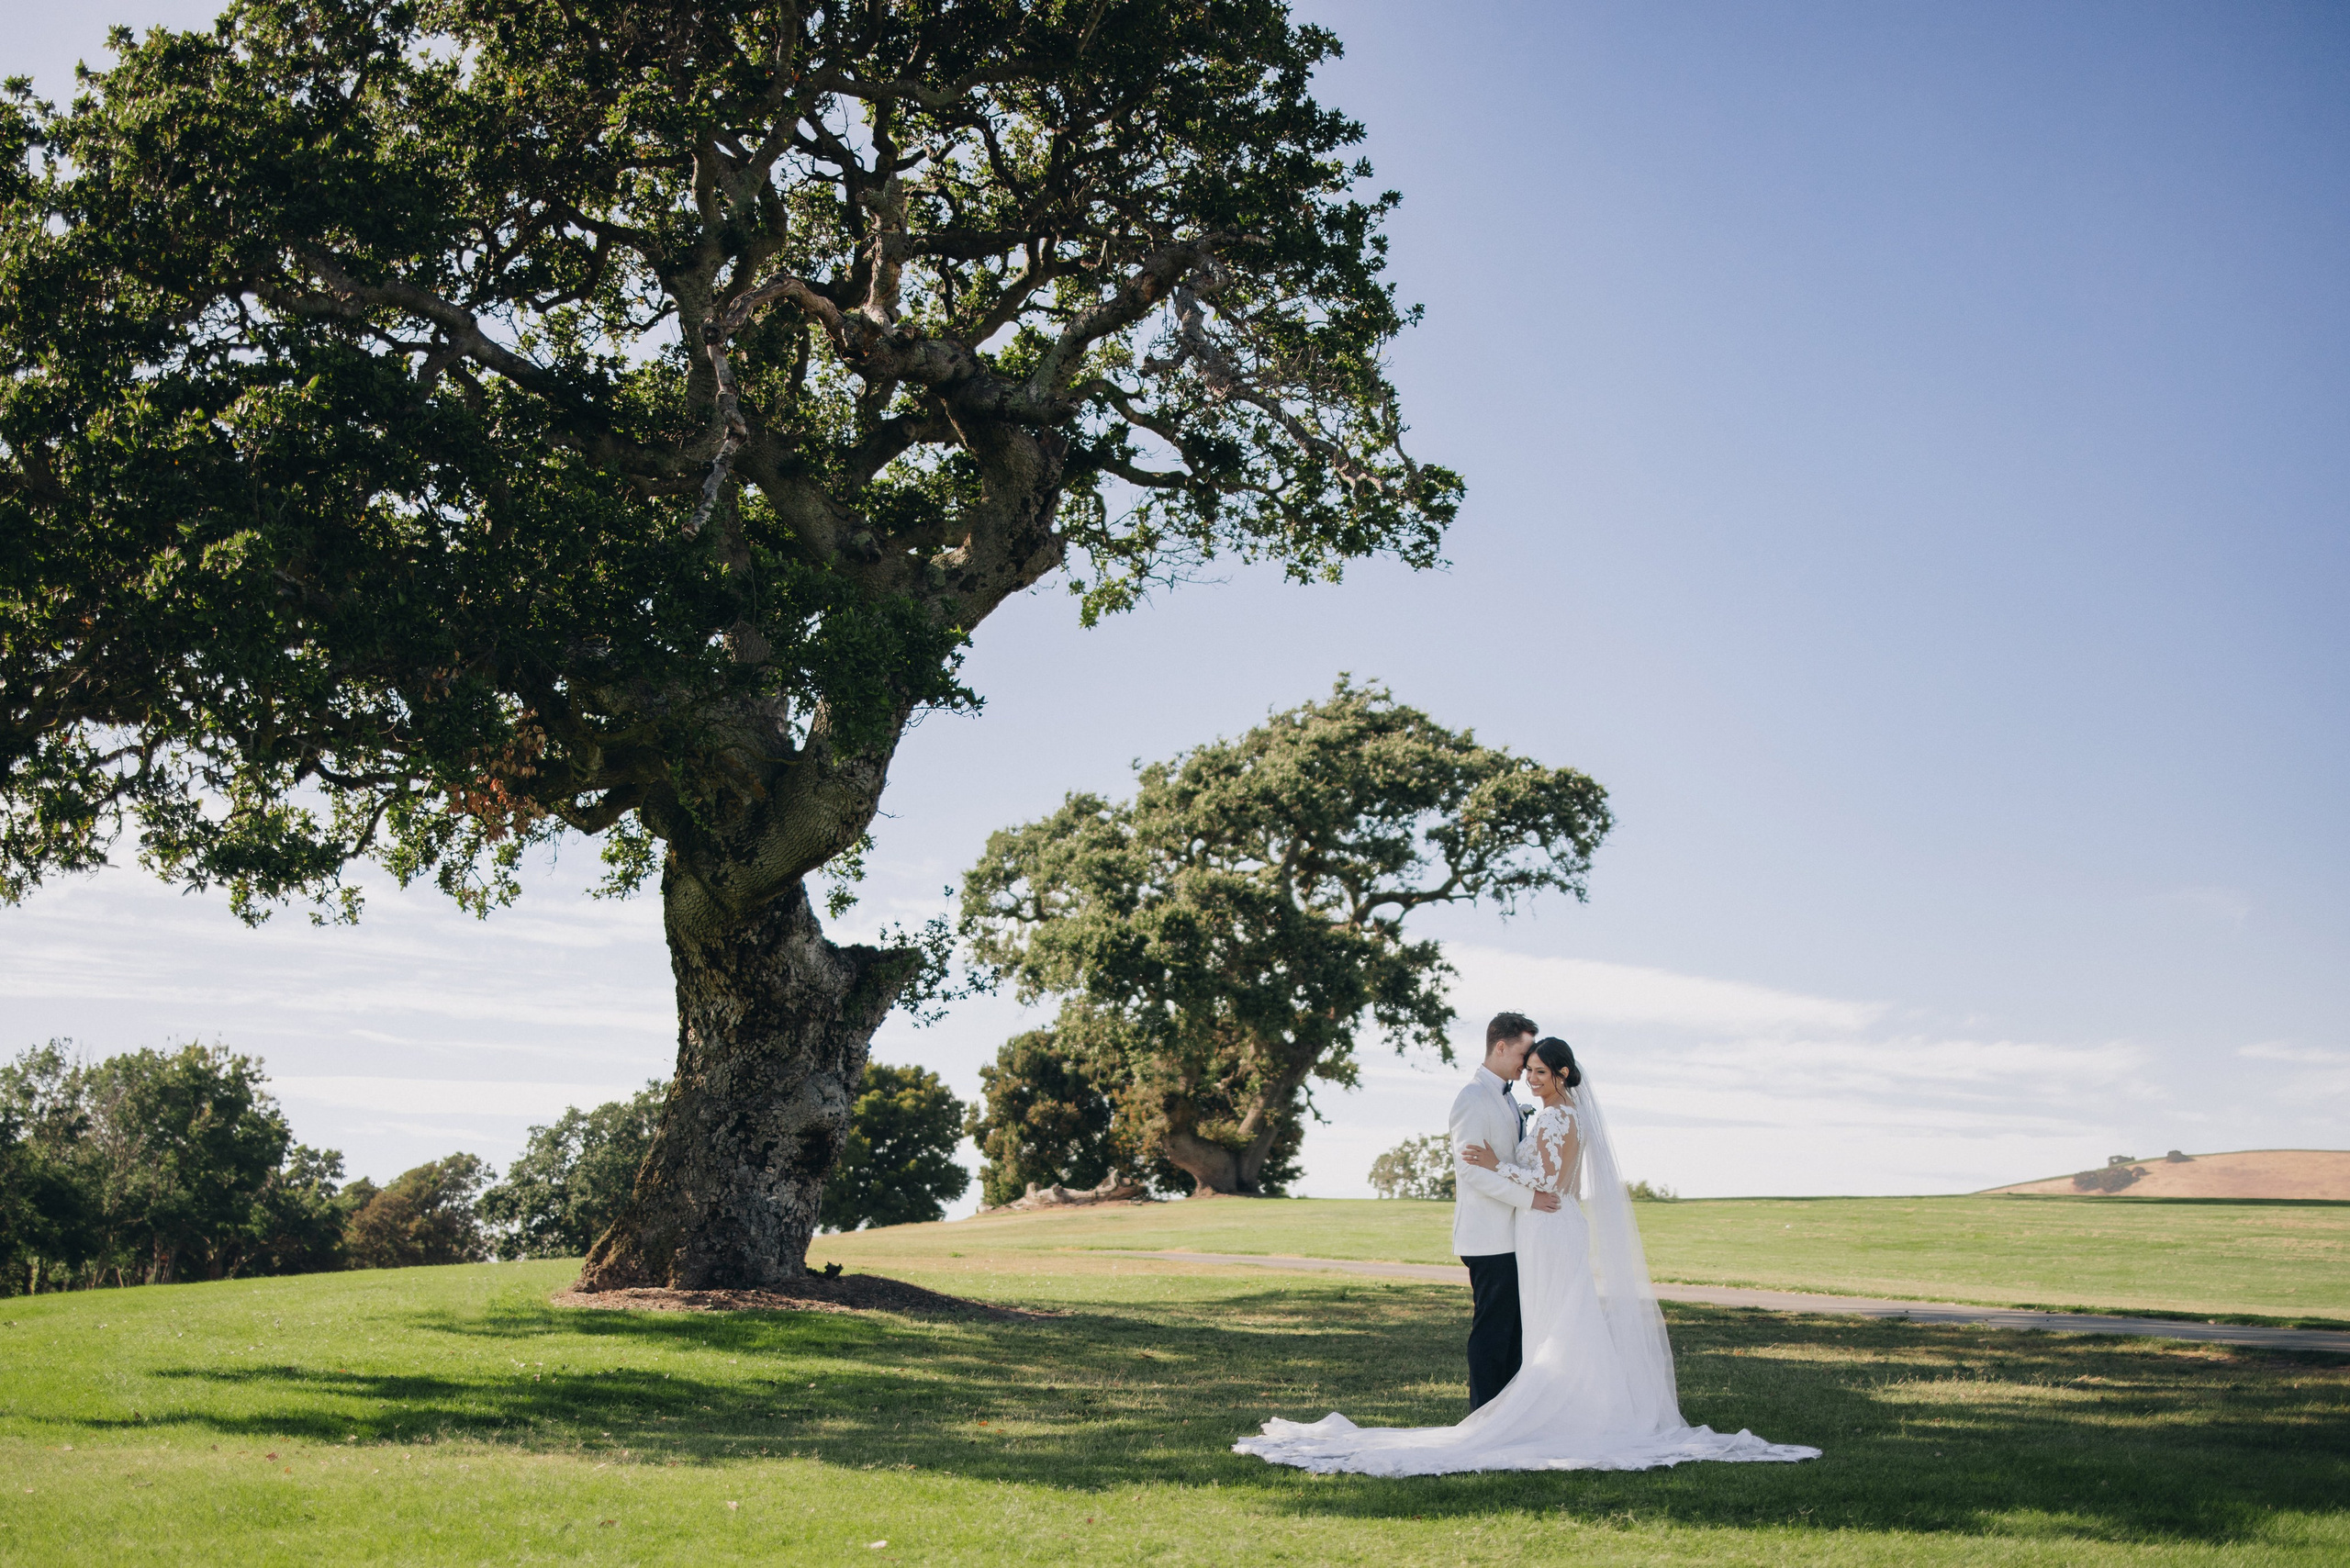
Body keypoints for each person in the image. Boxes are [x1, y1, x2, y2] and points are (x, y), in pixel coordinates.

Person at [1233, 1033, 1821, 1475]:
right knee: (1551, 1320)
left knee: (1560, 1319)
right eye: (1528, 1067)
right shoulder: (1547, 1112)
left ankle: (1564, 1410)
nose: (1531, 1077)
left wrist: (1497, 1164)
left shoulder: (1559, 1115)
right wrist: (1506, 1168)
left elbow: (1553, 1183)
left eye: (1540, 1070)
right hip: (1540, 1226)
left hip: (1547, 1223)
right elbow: (1548, 1180)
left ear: (1562, 1072)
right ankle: (1550, 1403)